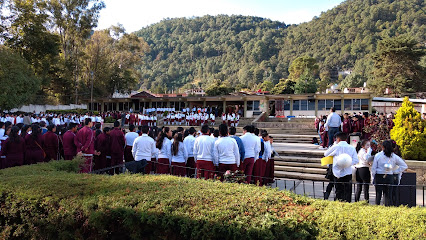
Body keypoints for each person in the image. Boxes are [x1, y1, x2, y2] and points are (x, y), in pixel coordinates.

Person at [324, 132, 358, 202]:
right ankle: (347, 203)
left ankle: (338, 204)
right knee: (347, 190)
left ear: (338, 139)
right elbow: (356, 160)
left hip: (337, 172)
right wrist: (347, 163)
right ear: (346, 139)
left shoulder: (335, 146)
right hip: (348, 171)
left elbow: (326, 153)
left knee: (338, 190)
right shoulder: (351, 147)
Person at [371, 140, 407, 206]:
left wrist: (373, 177)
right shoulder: (394, 156)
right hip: (389, 176)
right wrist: (395, 171)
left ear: (383, 147)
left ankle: (376, 208)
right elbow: (404, 166)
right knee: (388, 195)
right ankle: (388, 208)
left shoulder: (378, 155)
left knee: (378, 194)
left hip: (379, 175)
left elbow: (374, 168)